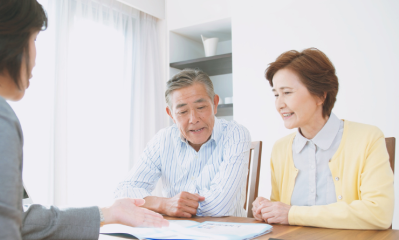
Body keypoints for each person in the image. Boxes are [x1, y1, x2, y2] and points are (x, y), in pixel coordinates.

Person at [0, 0, 167, 239]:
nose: (36, 56)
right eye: (34, 38)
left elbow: (11, 219)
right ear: (0, 34)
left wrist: (108, 213)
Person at [252, 48, 394, 229]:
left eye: (287, 92)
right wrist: (266, 210)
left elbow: (379, 213)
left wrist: (292, 213)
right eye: (276, 95)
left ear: (320, 94)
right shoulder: (281, 149)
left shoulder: (368, 138)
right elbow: (282, 215)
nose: (279, 104)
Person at [114, 69, 252, 218]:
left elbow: (219, 207)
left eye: (201, 107)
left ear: (215, 103)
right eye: (182, 112)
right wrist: (164, 204)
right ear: (171, 114)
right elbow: (124, 191)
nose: (193, 119)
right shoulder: (163, 140)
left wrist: (173, 206)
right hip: (175, 233)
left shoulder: (235, 134)